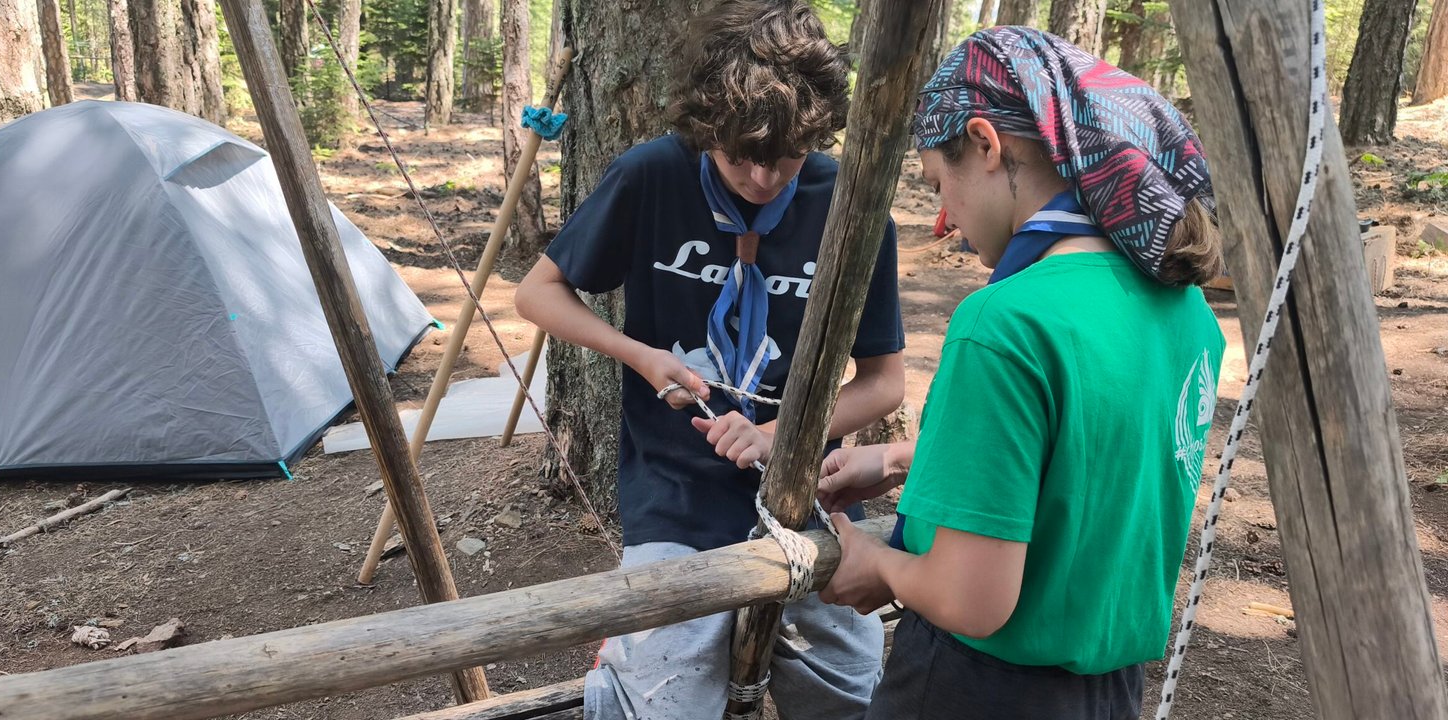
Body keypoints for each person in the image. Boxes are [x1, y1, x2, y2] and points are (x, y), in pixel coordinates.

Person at [812, 27, 1227, 720]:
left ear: (985, 143)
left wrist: (876, 563)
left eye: (939, 185)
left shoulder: (1005, 322)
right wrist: (908, 458)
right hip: (1109, 692)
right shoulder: (1187, 312)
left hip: (972, 692)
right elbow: (1094, 461)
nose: (943, 220)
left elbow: (970, 599)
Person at [513, 2, 906, 718]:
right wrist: (640, 356)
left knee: (849, 688)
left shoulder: (850, 205)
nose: (762, 177)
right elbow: (537, 294)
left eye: (786, 157)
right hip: (675, 493)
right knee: (667, 691)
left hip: (809, 494)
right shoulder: (651, 176)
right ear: (706, 129)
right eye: (738, 157)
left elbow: (884, 384)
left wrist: (780, 436)